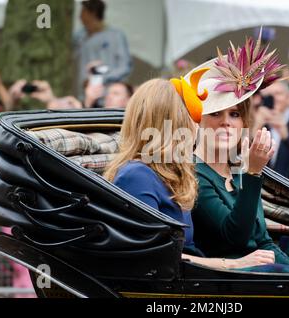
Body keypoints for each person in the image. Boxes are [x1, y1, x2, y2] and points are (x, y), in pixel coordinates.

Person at [190, 33, 289, 275]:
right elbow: (235, 237)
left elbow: (263, 242)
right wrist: (252, 172)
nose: (227, 123)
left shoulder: (238, 171)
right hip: (226, 280)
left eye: (235, 114)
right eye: (216, 114)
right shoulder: (195, 173)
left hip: (266, 275)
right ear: (197, 122)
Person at [103, 76, 279, 271]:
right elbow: (153, 258)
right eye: (192, 116)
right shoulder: (137, 176)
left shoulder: (172, 174)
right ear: (170, 123)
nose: (196, 126)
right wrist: (231, 264)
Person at [74, 0, 132, 99]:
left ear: (92, 13)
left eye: (83, 12)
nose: (80, 17)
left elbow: (125, 66)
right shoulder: (79, 37)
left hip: (108, 98)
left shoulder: (116, 35)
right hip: (85, 97)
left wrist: (101, 79)